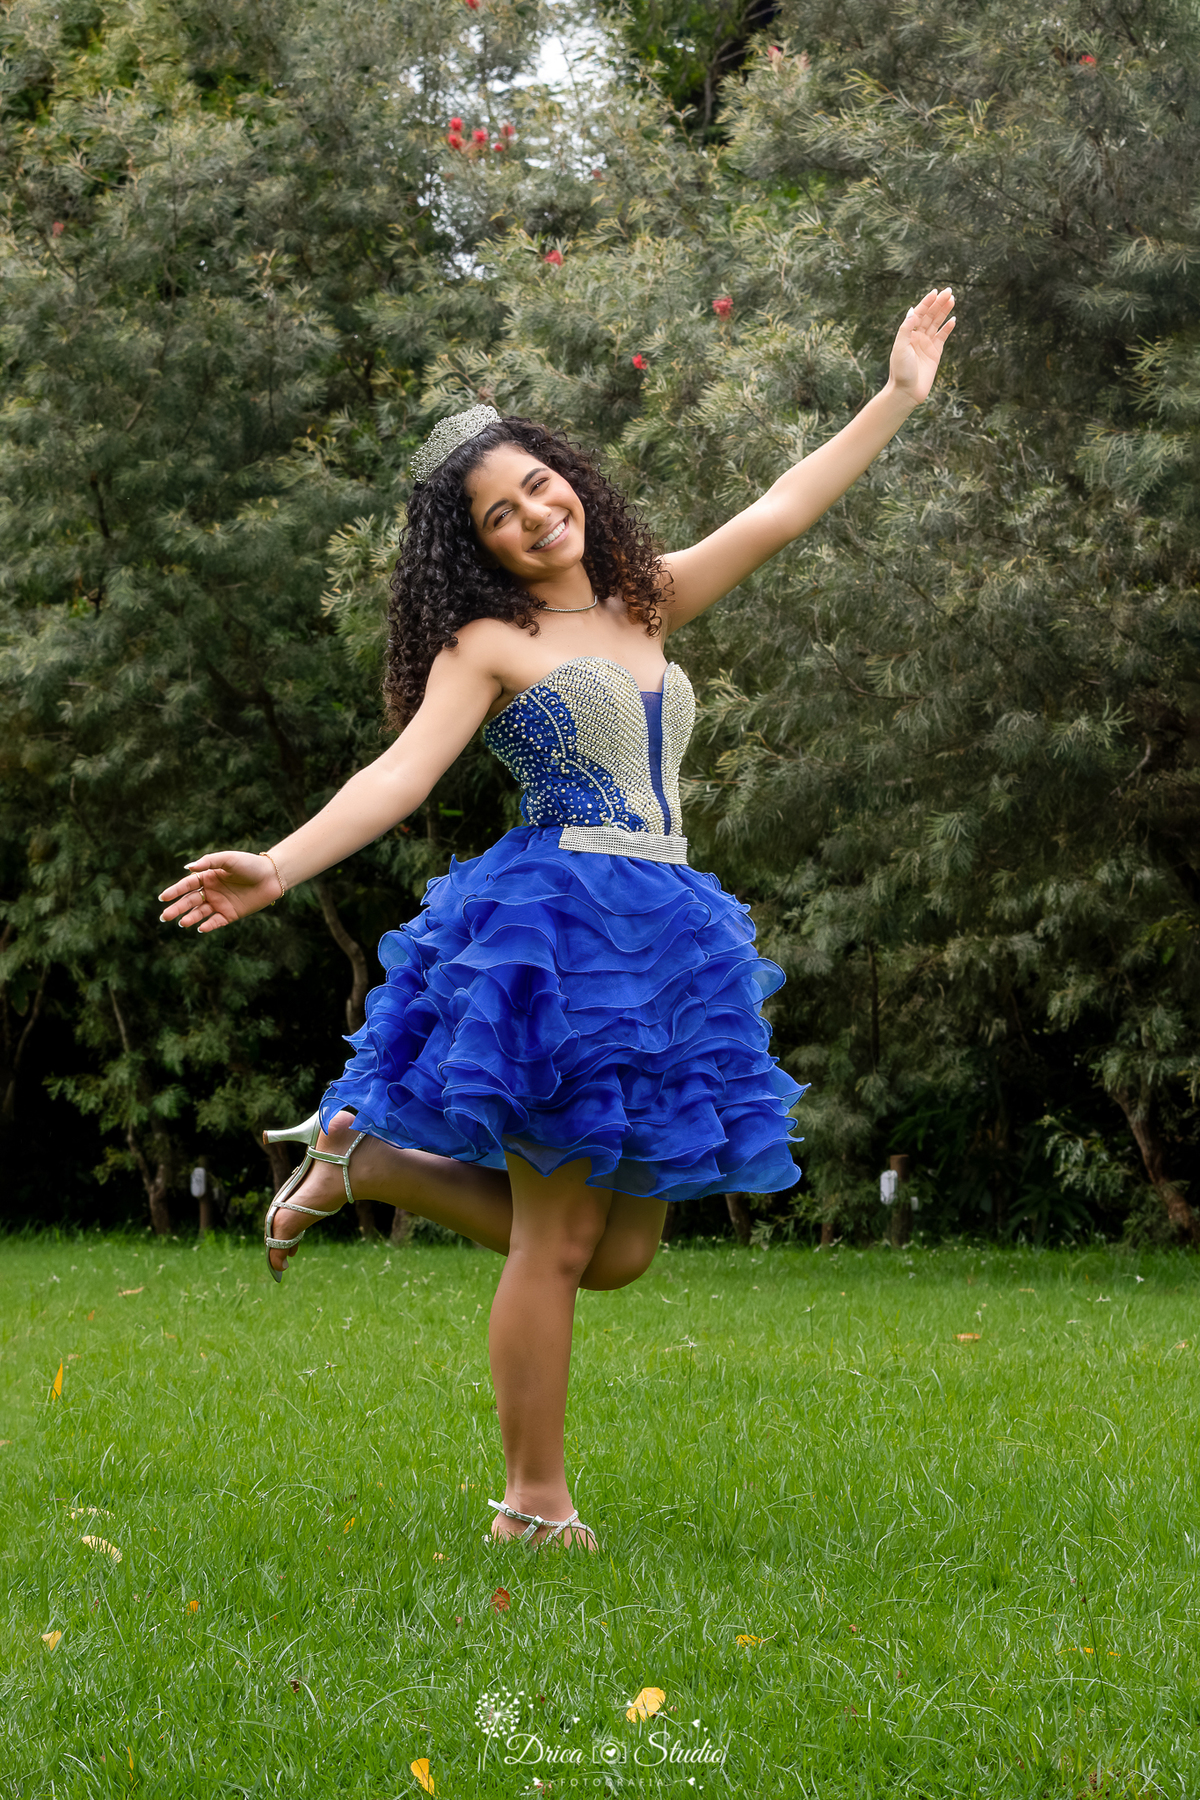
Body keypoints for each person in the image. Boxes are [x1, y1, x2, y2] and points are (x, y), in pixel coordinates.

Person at [158, 287, 956, 1549]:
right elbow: (400, 777)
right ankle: (532, 1505)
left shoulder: (648, 601)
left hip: (665, 934)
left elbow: (782, 507)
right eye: (499, 516)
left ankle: (361, 1163)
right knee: (561, 1231)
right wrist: (279, 865)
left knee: (623, 1250)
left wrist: (899, 395)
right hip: (560, 929)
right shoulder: (487, 639)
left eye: (539, 487)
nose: (534, 517)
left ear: (569, 479)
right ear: (476, 547)